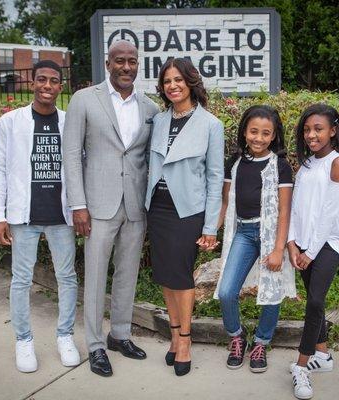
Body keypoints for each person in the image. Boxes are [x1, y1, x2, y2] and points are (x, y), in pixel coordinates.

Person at [62, 40, 160, 377]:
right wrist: (78, 205)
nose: (127, 67)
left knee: (127, 273)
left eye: (132, 61)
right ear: (108, 63)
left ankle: (119, 334)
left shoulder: (150, 108)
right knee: (95, 275)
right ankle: (94, 345)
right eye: (120, 61)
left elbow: (148, 158)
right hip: (97, 205)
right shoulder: (84, 100)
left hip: (135, 206)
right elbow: (72, 154)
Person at [0, 60, 79, 373]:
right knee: (21, 280)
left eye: (54, 81)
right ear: (32, 82)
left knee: (66, 278)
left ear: (60, 86)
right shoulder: (10, 123)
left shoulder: (70, 122)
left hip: (61, 215)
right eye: (42, 79)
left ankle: (65, 336)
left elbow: (80, 169)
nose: (47, 86)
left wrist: (81, 208)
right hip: (23, 216)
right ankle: (23, 340)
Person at [145, 57, 224, 376]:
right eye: (167, 81)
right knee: (165, 274)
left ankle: (187, 341)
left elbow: (215, 177)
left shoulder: (211, 124)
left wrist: (210, 226)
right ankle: (175, 335)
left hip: (187, 210)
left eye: (178, 79)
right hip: (158, 208)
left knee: (180, 274)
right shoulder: (159, 120)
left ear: (190, 82)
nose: (172, 85)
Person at [213, 105, 296, 373]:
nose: (258, 138)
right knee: (226, 291)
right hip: (244, 233)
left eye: (265, 133)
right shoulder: (235, 163)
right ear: (244, 132)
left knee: (272, 291)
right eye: (253, 132)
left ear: (274, 136)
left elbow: (284, 210)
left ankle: (261, 341)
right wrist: (210, 231)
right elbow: (225, 203)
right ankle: (237, 336)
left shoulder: (280, 166)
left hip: (270, 235)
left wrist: (278, 249)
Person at [287, 103, 339, 399]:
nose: (311, 135)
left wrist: (310, 252)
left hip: (326, 245)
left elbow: (327, 214)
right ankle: (322, 356)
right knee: (315, 302)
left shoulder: (337, 163)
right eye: (307, 130)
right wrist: (291, 244)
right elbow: (296, 208)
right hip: (302, 244)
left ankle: (302, 366)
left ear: (333, 131)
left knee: (314, 302)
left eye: (318, 129)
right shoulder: (307, 164)